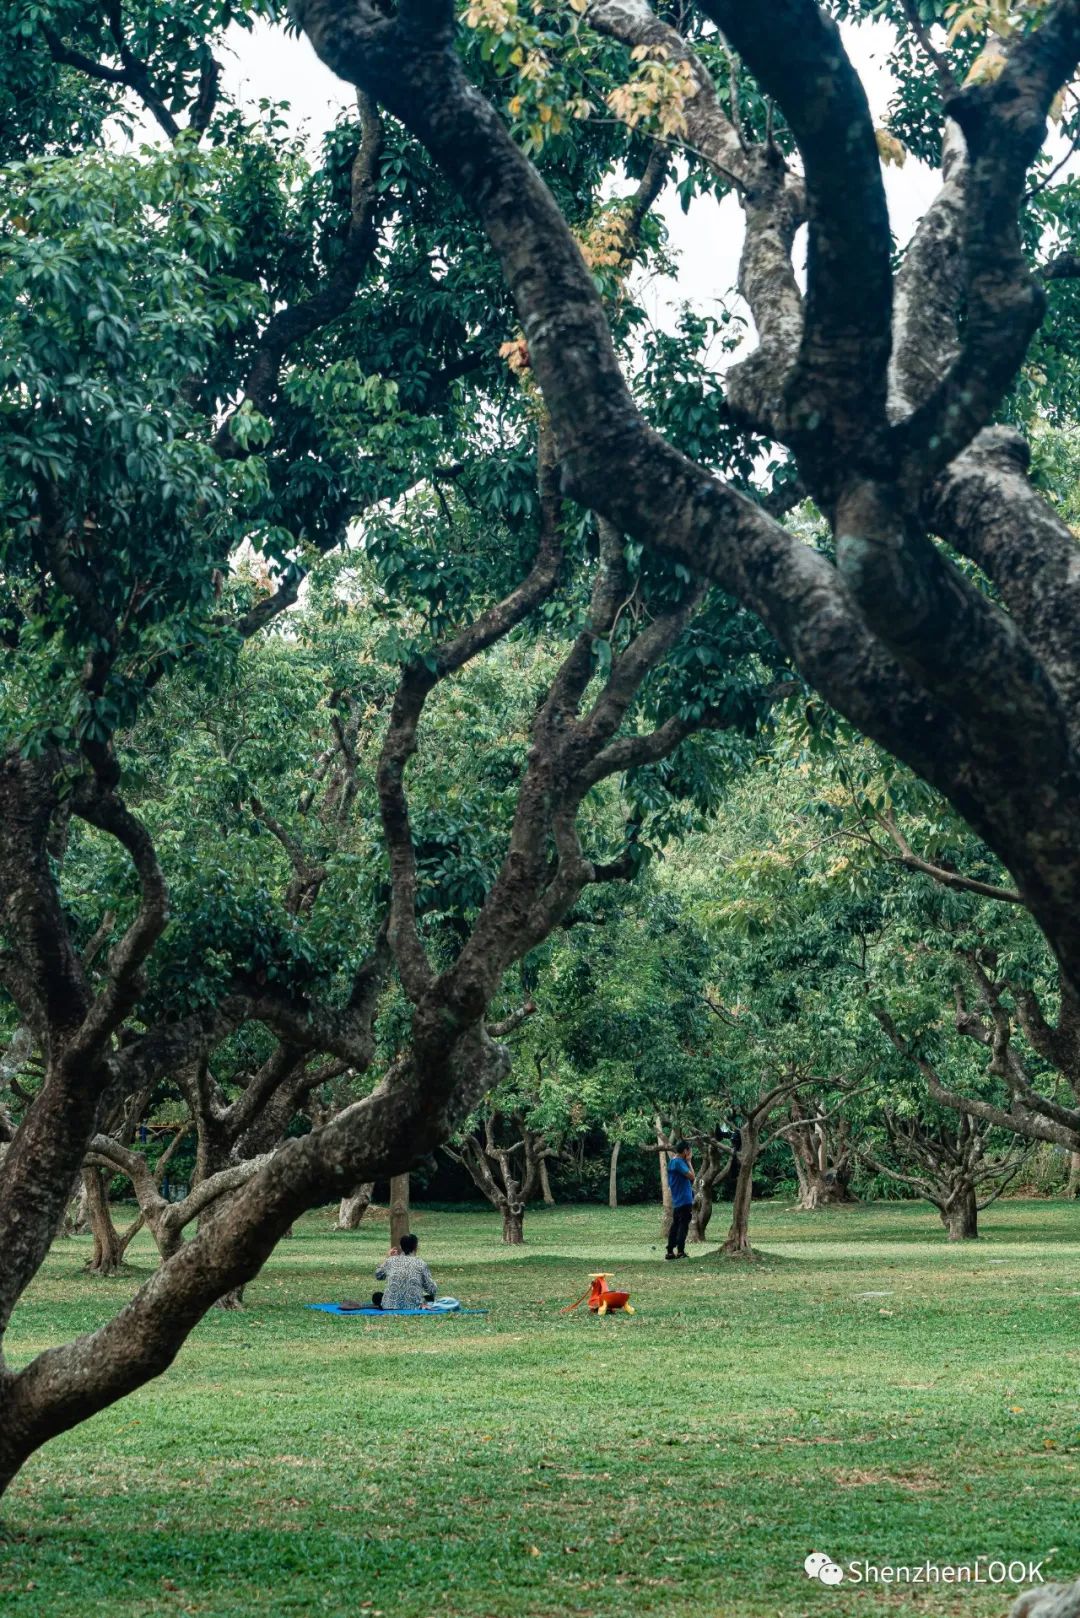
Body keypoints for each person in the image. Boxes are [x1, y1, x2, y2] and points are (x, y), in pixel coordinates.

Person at [372, 1232, 438, 1309]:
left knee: (377, 1296)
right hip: (413, 1305)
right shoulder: (421, 1263)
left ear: (400, 1246)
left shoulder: (391, 1261)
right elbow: (432, 1289)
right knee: (429, 1298)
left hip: (390, 1305)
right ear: (416, 1247)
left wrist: (388, 1258)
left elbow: (378, 1276)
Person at [666, 1140, 695, 1260]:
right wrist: (689, 1161)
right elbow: (692, 1176)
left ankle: (670, 1251)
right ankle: (680, 1251)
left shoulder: (672, 1161)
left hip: (677, 1199)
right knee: (683, 1226)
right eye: (689, 1150)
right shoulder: (679, 1163)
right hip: (685, 1199)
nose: (690, 1153)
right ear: (685, 1151)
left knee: (675, 1225)